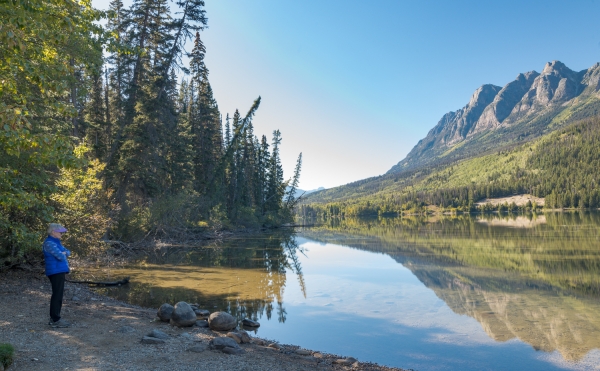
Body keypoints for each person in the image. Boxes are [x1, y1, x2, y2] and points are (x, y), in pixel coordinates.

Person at [43, 223, 71, 328]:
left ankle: (55, 318)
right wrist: (63, 253)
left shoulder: (56, 242)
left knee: (58, 294)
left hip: (59, 270)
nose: (62, 234)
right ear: (53, 232)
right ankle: (55, 319)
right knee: (57, 295)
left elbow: (68, 252)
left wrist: (64, 253)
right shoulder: (49, 243)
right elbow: (60, 256)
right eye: (60, 232)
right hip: (55, 271)